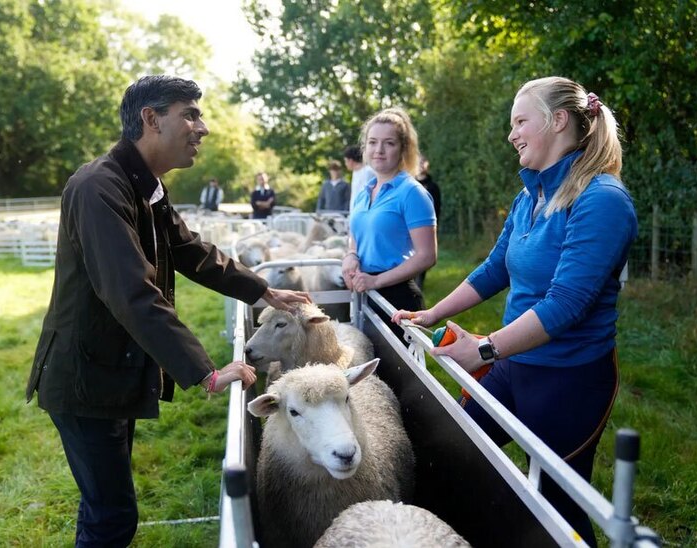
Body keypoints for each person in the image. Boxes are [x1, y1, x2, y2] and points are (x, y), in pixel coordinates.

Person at [24, 75, 310, 547]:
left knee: (103, 507)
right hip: (85, 377)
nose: (204, 127)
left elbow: (189, 249)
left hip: (110, 370)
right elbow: (131, 293)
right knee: (112, 517)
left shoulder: (145, 185)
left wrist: (261, 289)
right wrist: (204, 372)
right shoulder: (99, 188)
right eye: (190, 115)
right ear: (151, 120)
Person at [393, 76, 637, 546]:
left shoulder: (602, 201)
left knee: (554, 508)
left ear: (558, 121)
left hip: (569, 380)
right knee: (452, 452)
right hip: (512, 366)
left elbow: (566, 304)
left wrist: (483, 349)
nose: (512, 134)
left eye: (520, 121)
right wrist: (431, 314)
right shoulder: (529, 197)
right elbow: (492, 270)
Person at [342, 107, 437, 340]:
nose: (379, 150)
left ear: (403, 149)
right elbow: (357, 237)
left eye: (389, 143)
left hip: (397, 298)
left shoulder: (412, 193)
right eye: (372, 142)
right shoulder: (364, 192)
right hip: (365, 291)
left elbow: (427, 256)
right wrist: (351, 256)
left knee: (400, 374)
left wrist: (376, 280)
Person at [415, 155, 442, 289]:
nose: (420, 165)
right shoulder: (409, 185)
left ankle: (419, 285)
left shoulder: (433, 187)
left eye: (423, 162)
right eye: (418, 162)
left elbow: (437, 208)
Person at [343, 144, 375, 213]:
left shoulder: (369, 171)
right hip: (355, 211)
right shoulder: (355, 172)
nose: (345, 164)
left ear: (351, 160)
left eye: (346, 161)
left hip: (365, 211)